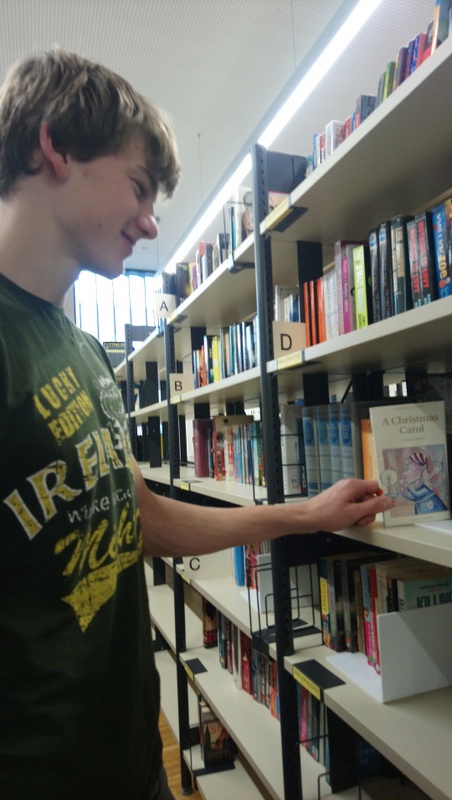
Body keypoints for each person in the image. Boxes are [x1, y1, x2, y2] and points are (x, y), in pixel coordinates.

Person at [0, 48, 393, 800]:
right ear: (57, 146)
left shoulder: (84, 352)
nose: (150, 222)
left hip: (132, 758)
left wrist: (304, 515)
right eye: (139, 187)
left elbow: (141, 520)